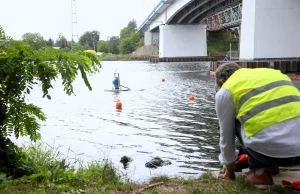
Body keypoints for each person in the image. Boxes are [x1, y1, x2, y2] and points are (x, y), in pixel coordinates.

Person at [215, 62, 300, 188]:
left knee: (232, 120)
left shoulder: (226, 91)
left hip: (269, 154)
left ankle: (259, 172)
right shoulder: (275, 73)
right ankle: (269, 167)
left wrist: (230, 173)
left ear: (222, 82)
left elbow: (226, 138)